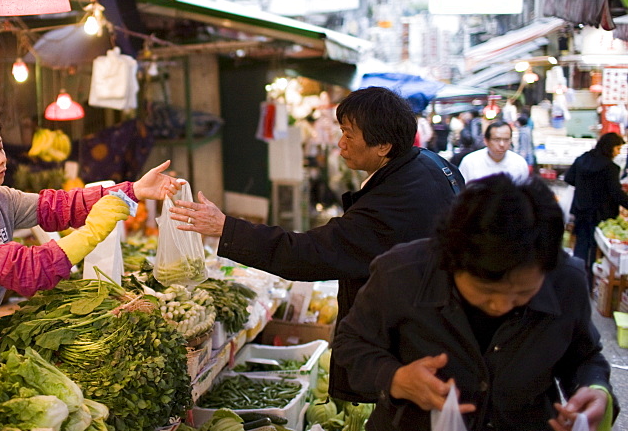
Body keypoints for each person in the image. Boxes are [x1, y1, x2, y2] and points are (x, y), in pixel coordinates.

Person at [169, 86, 462, 402]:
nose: (340, 144)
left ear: (384, 145)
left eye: (349, 135)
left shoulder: (393, 203)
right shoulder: (430, 164)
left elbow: (309, 253)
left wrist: (225, 228)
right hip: (436, 332)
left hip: (417, 350)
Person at [333, 174, 614, 431]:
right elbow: (350, 343)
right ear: (452, 260)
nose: (501, 305)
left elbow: (585, 356)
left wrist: (596, 389)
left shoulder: (567, 281)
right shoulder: (401, 273)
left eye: (522, 292)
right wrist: (395, 378)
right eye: (486, 291)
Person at [0, 107, 182, 369]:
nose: (2, 159)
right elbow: (22, 269)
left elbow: (59, 206)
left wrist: (133, 191)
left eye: (2, 147)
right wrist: (91, 233)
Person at [564, 131, 628, 285]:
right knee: (595, 250)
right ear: (610, 148)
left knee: (581, 245)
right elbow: (616, 193)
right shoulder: (610, 168)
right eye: (618, 149)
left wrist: (584, 188)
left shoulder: (583, 159)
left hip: (580, 210)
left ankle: (574, 280)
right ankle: (589, 283)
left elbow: (569, 178)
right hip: (600, 214)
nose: (618, 153)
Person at [458, 120, 529, 183]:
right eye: (496, 140)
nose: (502, 144)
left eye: (506, 140)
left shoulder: (519, 163)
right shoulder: (470, 162)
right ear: (486, 141)